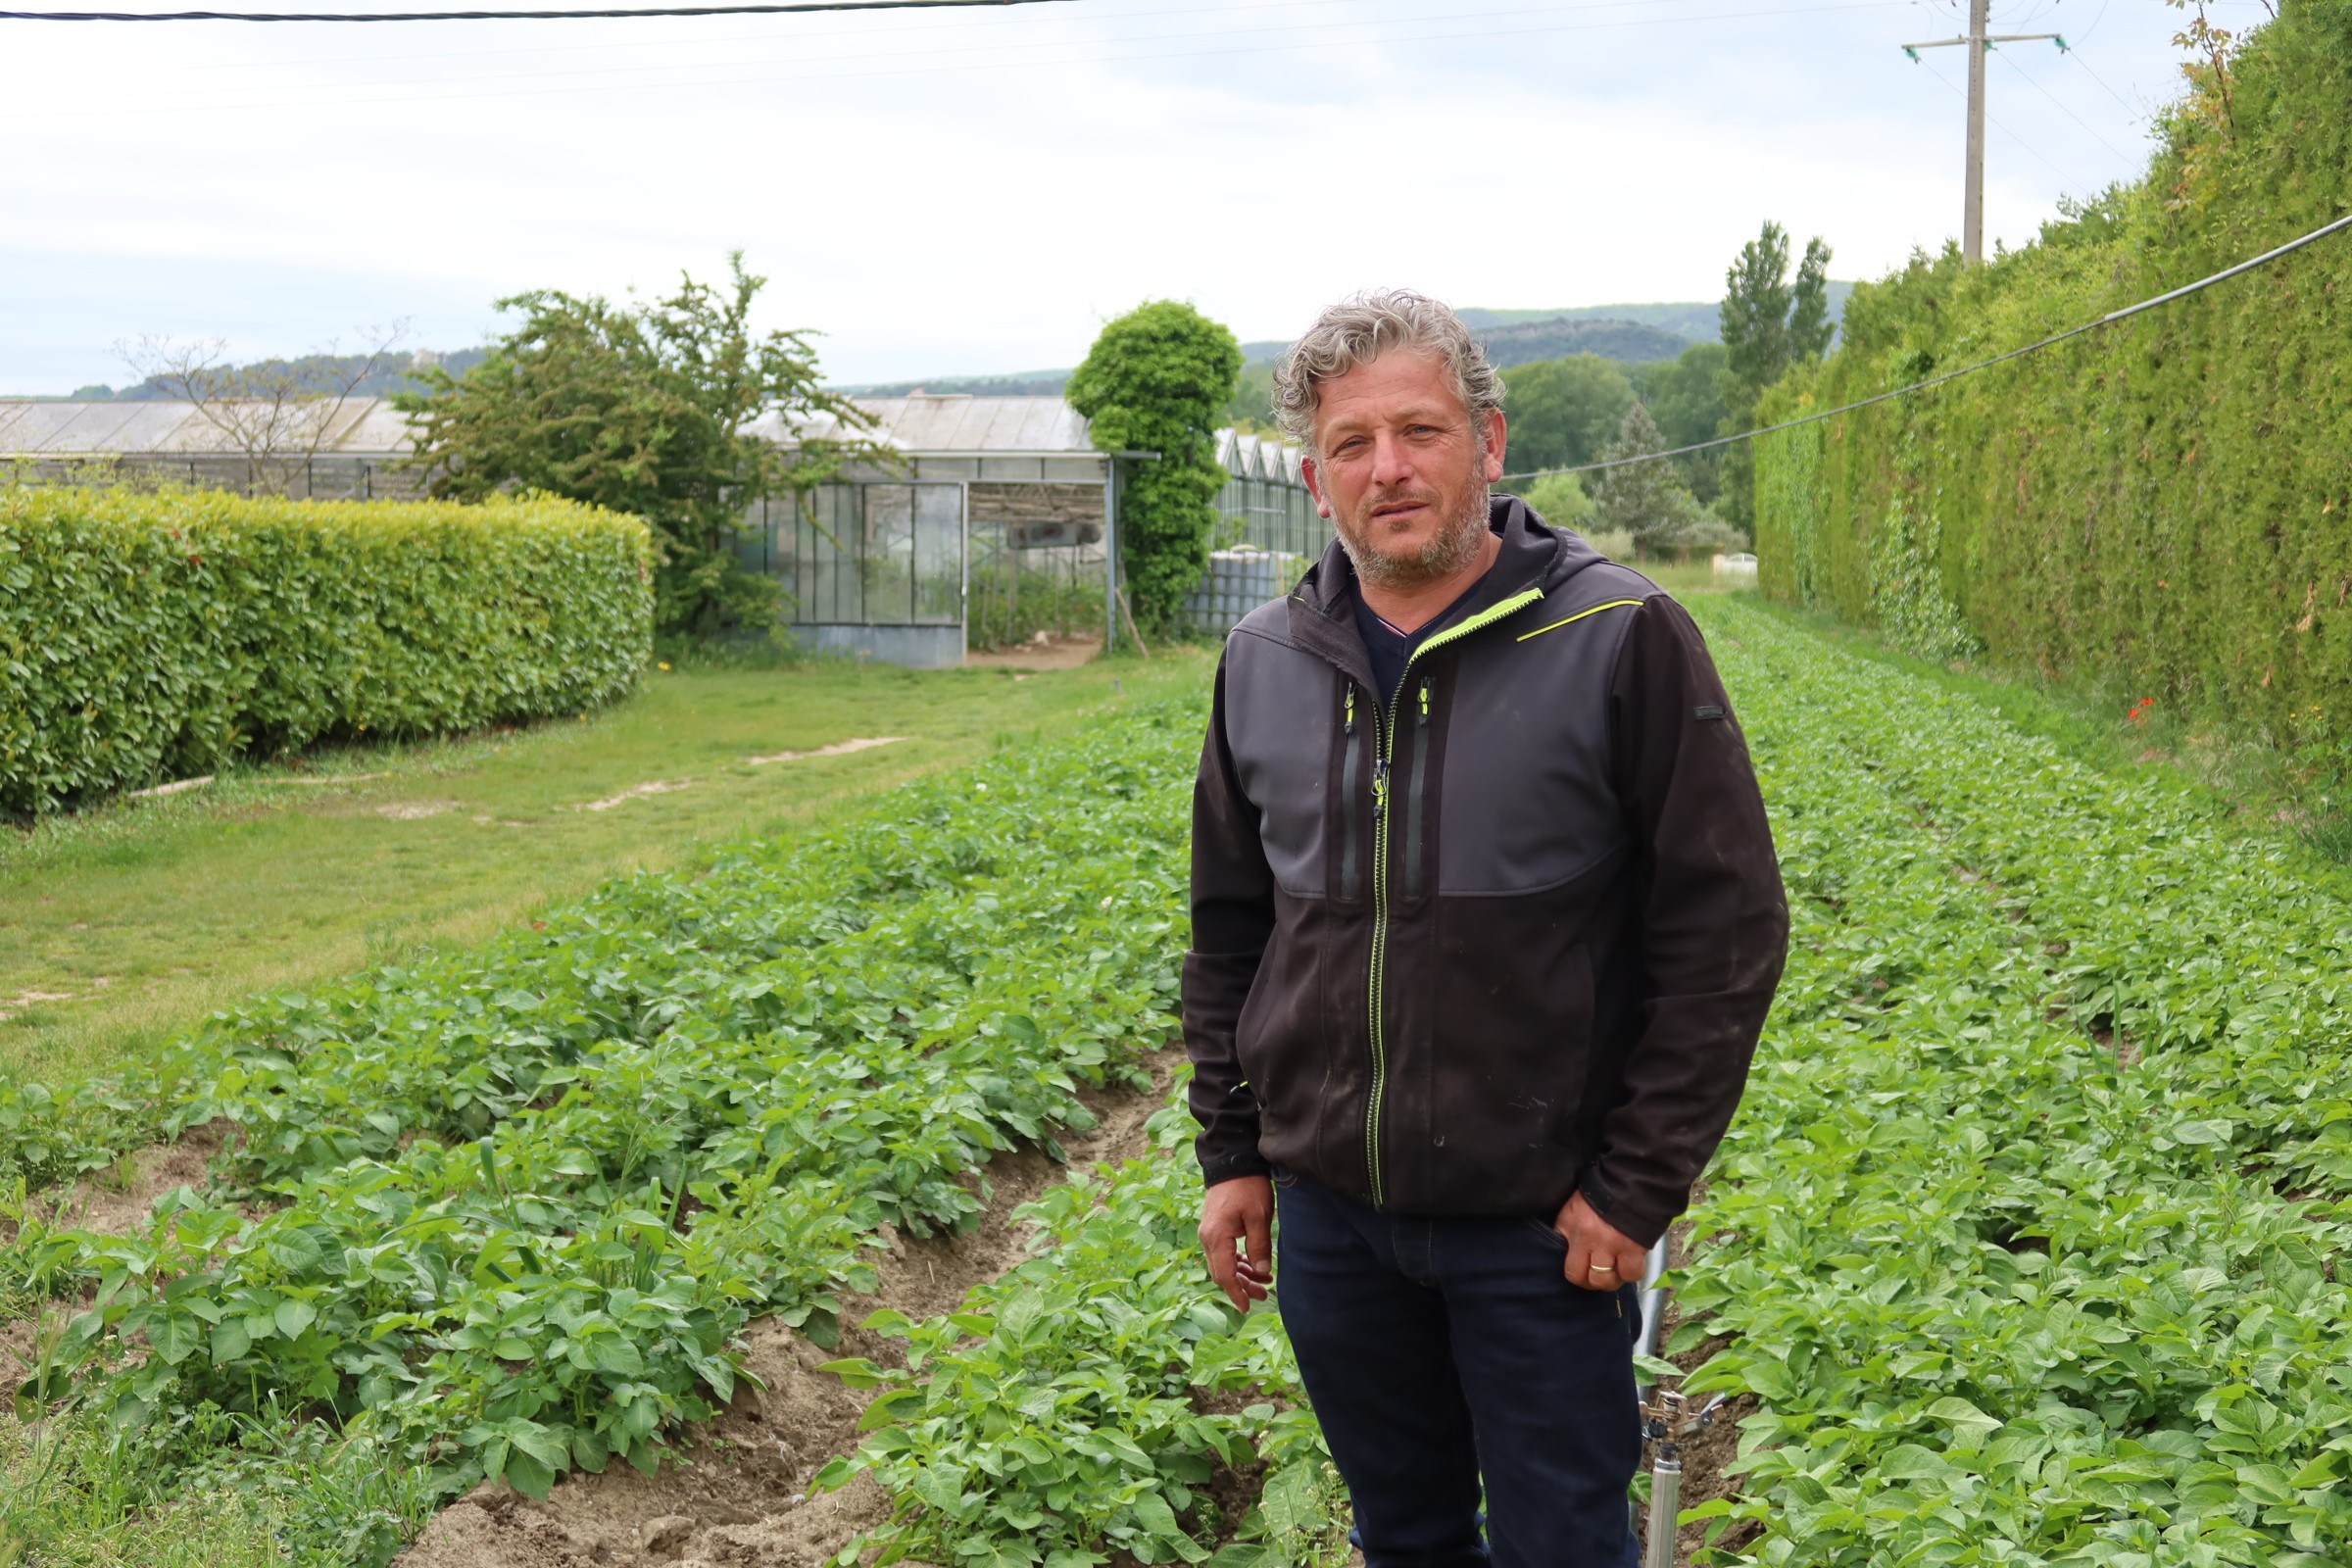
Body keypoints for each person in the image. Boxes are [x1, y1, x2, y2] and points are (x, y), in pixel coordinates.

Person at [1183, 289, 1788, 1567]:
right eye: (1353, 444)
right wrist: (1233, 1150)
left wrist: (1637, 1185)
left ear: (1490, 444)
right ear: (1315, 476)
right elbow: (1233, 930)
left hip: (1544, 1226)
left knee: (1563, 1541)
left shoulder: (1616, 636)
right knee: (1403, 1536)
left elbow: (1724, 936)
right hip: (1335, 1222)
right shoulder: (1264, 660)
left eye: (1420, 431)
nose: (1388, 469)